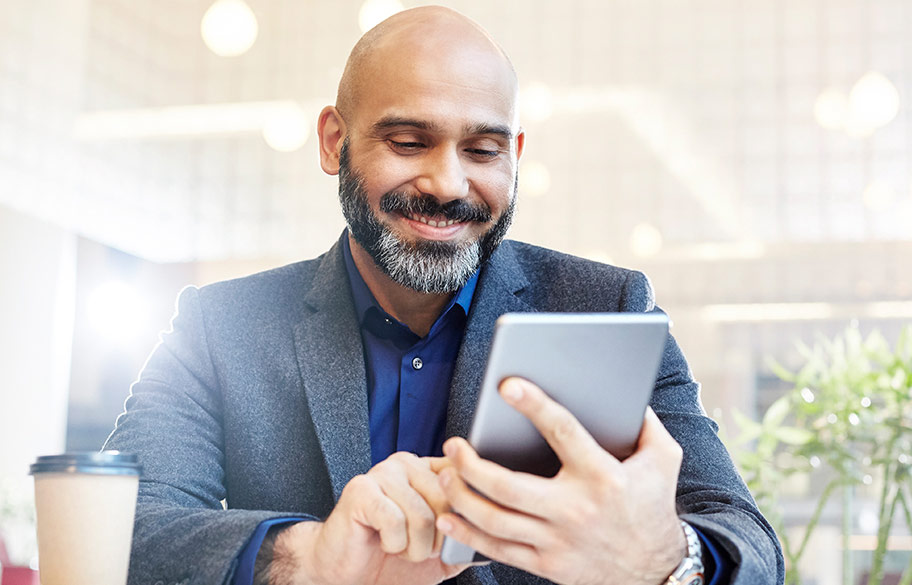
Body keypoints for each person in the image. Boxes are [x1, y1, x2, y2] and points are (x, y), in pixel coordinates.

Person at [104, 6, 783, 585]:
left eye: (483, 150)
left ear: (514, 153)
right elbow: (117, 527)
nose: (446, 182)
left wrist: (663, 557)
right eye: (407, 141)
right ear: (334, 142)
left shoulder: (607, 305)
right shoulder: (220, 326)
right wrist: (309, 558)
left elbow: (746, 539)